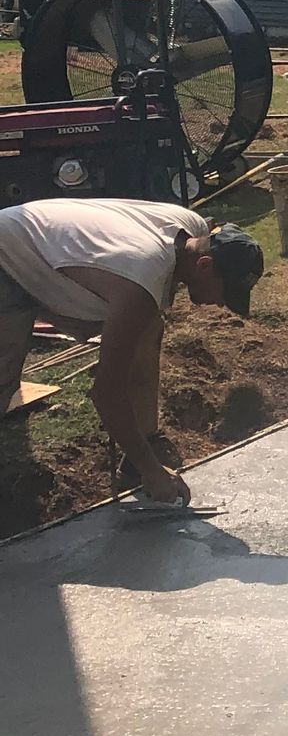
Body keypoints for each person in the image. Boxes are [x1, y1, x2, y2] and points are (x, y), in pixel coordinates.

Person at [0, 197, 264, 505]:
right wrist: (152, 471)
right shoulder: (141, 277)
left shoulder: (190, 230)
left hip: (39, 250)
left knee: (147, 326)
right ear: (204, 265)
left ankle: (144, 444)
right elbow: (106, 392)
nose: (221, 303)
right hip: (6, 257)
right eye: (225, 292)